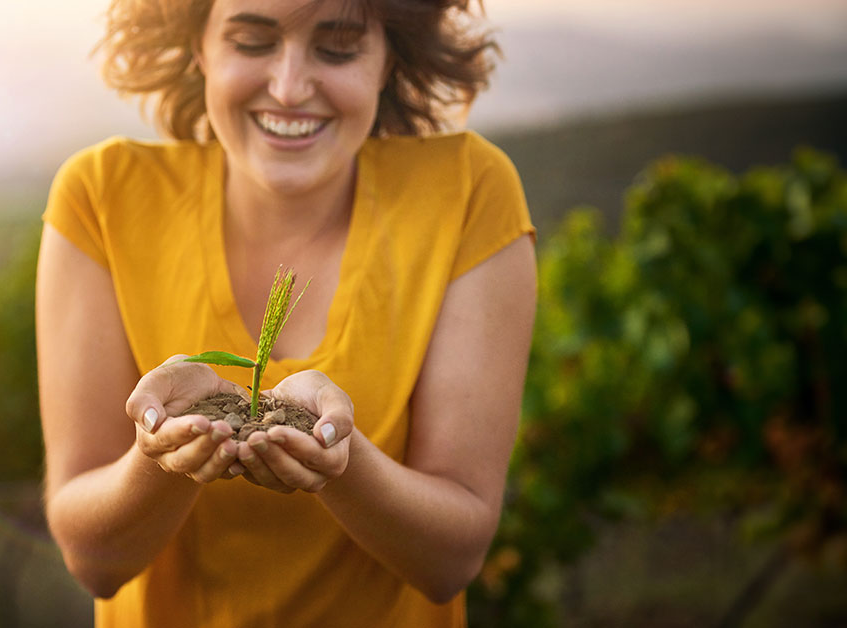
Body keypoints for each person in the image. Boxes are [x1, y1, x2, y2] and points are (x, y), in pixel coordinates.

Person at [35, 0, 536, 625]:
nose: (291, 87)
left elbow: (451, 563)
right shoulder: (101, 198)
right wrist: (158, 455)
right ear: (200, 48)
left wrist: (341, 462)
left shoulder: (468, 193)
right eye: (251, 43)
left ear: (387, 60)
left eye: (337, 49)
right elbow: (94, 560)